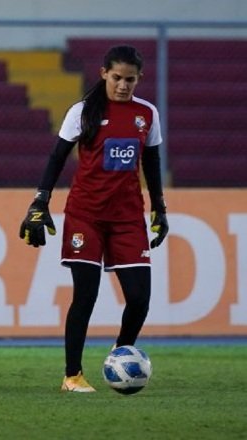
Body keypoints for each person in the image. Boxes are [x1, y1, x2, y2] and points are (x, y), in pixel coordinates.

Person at [18, 45, 169, 392]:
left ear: (139, 79)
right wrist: (40, 201)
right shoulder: (83, 112)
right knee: (86, 295)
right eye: (117, 77)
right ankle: (72, 376)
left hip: (128, 218)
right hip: (86, 216)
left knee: (140, 298)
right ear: (103, 73)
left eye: (130, 79)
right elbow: (57, 158)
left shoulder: (146, 114)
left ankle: (120, 353)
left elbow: (152, 162)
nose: (122, 85)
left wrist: (159, 207)